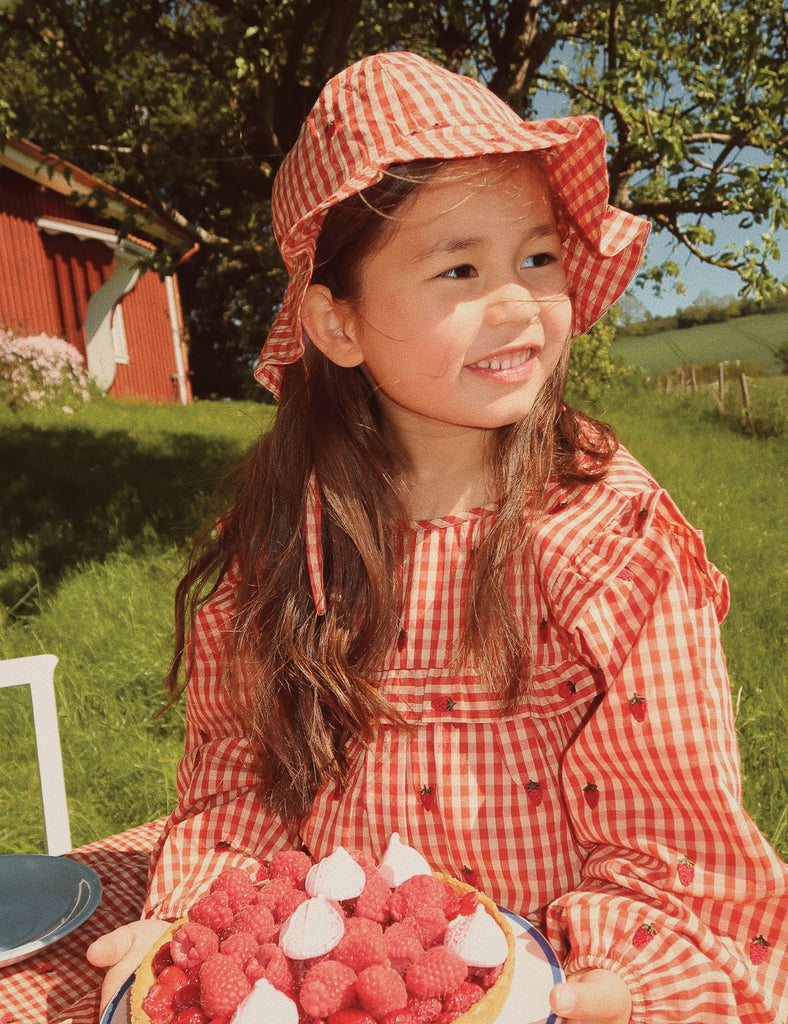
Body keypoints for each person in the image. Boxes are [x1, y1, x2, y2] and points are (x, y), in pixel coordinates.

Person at [88, 51, 788, 1023]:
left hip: (543, 974)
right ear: (337, 323)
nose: (515, 301)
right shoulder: (281, 543)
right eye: (459, 267)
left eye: (534, 258)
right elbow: (239, 771)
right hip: (335, 982)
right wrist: (189, 925)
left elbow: (668, 835)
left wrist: (597, 991)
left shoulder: (608, 545)